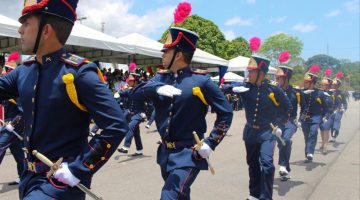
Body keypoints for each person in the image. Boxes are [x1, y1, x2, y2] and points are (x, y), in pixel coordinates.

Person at [0, 1, 129, 199]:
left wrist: (79, 168)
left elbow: (116, 125)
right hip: (29, 177)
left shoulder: (78, 73)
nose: (20, 30)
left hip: (59, 184)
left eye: (26, 23)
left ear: (46, 30)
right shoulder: (24, 71)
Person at [132, 27, 233, 199]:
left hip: (189, 153)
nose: (162, 55)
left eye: (166, 51)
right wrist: (157, 88)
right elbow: (136, 94)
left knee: (169, 195)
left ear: (178, 55)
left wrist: (211, 142)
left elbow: (226, 113)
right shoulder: (160, 79)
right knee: (181, 194)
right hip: (165, 152)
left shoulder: (202, 81)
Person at [232, 50, 292, 199]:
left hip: (267, 133)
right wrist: (231, 88)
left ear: (261, 73)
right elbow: (223, 88)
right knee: (252, 164)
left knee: (267, 164)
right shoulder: (246, 87)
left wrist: (278, 124)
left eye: (252, 72)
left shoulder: (273, 89)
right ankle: (254, 193)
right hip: (251, 133)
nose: (248, 74)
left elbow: (288, 108)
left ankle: (265, 196)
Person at [274, 53, 305, 181]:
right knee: (283, 144)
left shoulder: (296, 92)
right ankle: (286, 169)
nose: (277, 80)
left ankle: (282, 166)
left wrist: (301, 120)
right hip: (278, 122)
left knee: (285, 140)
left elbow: (304, 106)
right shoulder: (274, 90)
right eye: (277, 78)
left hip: (291, 121)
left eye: (280, 78)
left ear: (286, 78)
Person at [300, 65, 328, 163]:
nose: (304, 83)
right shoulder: (302, 91)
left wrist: (325, 116)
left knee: (313, 133)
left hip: (316, 117)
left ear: (312, 83)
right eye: (305, 81)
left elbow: (325, 107)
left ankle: (310, 152)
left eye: (306, 82)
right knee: (307, 136)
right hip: (305, 118)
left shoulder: (319, 93)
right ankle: (308, 154)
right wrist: (299, 119)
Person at [118, 73, 146, 156]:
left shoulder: (142, 90)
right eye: (128, 80)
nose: (128, 82)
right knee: (136, 133)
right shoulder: (130, 90)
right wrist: (123, 89)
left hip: (139, 114)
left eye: (131, 81)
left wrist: (146, 113)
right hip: (132, 114)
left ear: (136, 81)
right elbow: (121, 94)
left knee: (130, 127)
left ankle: (125, 147)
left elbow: (150, 102)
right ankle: (139, 150)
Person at [319, 69, 335, 154]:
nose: (322, 86)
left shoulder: (332, 94)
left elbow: (335, 104)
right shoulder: (320, 92)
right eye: (321, 84)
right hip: (321, 113)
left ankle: (325, 146)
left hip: (329, 114)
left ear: (328, 85)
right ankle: (323, 142)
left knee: (326, 129)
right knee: (322, 129)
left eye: (323, 84)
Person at [329, 72, 347, 143]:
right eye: (333, 84)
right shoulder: (329, 92)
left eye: (335, 85)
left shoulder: (341, 93)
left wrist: (344, 108)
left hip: (338, 110)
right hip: (331, 110)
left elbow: (345, 103)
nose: (333, 86)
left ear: (338, 85)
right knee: (331, 124)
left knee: (337, 121)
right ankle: (333, 134)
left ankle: (335, 133)